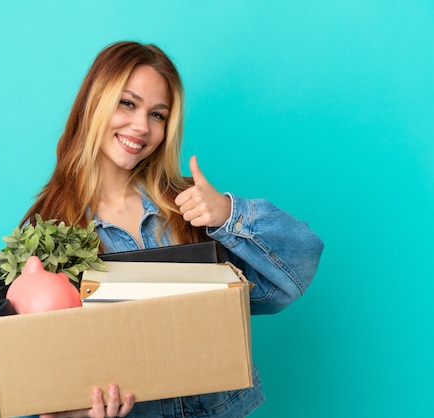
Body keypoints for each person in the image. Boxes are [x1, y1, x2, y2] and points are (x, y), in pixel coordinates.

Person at [19, 41, 324, 418]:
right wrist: (71, 413)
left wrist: (229, 213)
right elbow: (32, 372)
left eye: (158, 114)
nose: (141, 126)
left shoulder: (191, 206)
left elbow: (290, 277)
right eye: (127, 103)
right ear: (94, 102)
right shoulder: (45, 232)